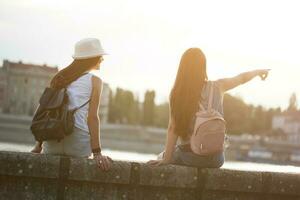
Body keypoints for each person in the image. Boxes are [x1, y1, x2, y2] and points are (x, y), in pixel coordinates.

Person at [148, 48, 270, 167]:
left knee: (161, 156)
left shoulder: (178, 93)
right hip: (216, 159)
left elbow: (172, 128)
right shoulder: (218, 86)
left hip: (190, 157)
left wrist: (166, 159)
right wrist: (258, 72)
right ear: (203, 67)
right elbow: (241, 78)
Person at [31, 38, 112, 171]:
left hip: (52, 143)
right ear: (92, 58)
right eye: (100, 56)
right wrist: (97, 153)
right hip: (77, 144)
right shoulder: (95, 81)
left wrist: (38, 146)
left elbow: (43, 112)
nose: (102, 59)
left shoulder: (59, 77)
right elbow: (92, 118)